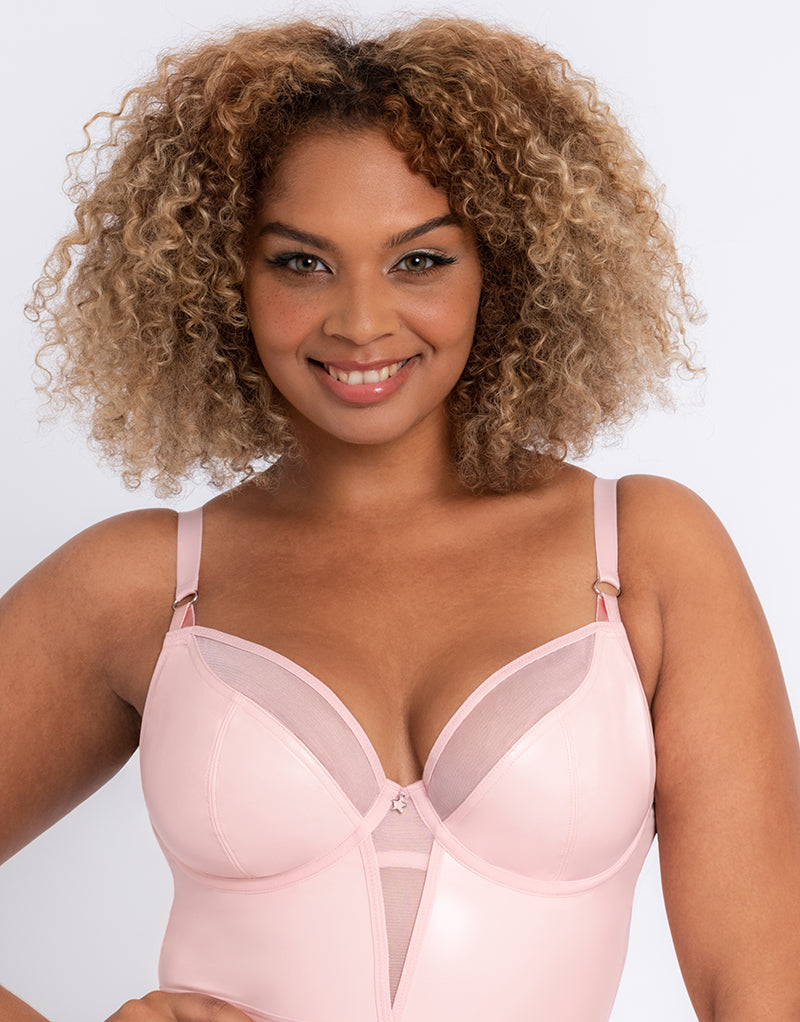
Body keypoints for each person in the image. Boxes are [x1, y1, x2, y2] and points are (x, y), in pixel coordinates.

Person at [1, 15, 798, 1022]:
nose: (361, 322)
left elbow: (762, 993)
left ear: (502, 266)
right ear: (220, 275)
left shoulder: (640, 553)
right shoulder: (147, 584)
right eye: (301, 262)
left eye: (418, 261)